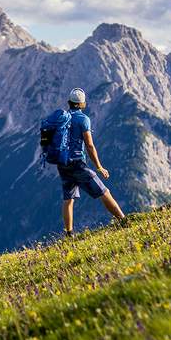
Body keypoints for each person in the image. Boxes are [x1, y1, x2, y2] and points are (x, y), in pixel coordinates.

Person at [57, 88, 125, 235]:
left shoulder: (62, 118)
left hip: (62, 164)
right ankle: (123, 221)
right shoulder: (83, 119)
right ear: (82, 104)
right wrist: (99, 166)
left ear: (69, 103)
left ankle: (69, 234)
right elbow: (89, 145)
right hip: (77, 164)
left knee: (68, 198)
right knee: (104, 191)